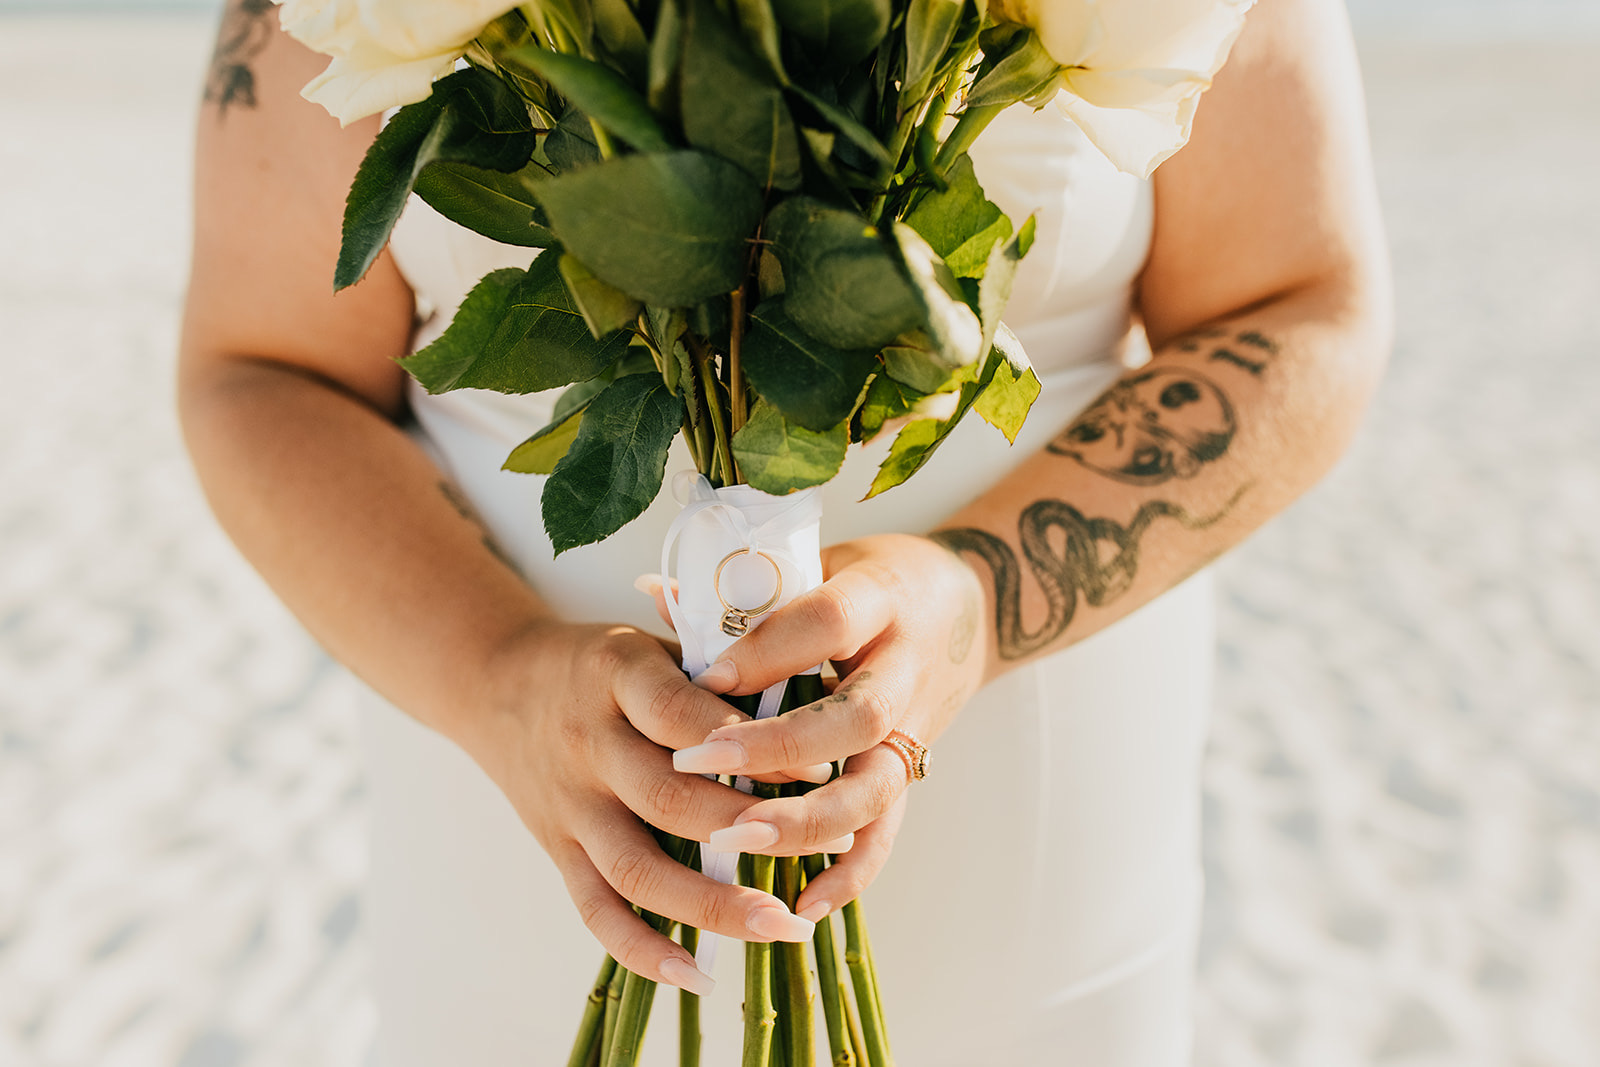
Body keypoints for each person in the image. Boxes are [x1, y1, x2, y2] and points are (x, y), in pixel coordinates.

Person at [179, 0, 1390, 1062]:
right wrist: (496, 673)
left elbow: (1304, 304)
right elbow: (264, 365)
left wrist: (977, 599)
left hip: (1041, 841)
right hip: (513, 835)